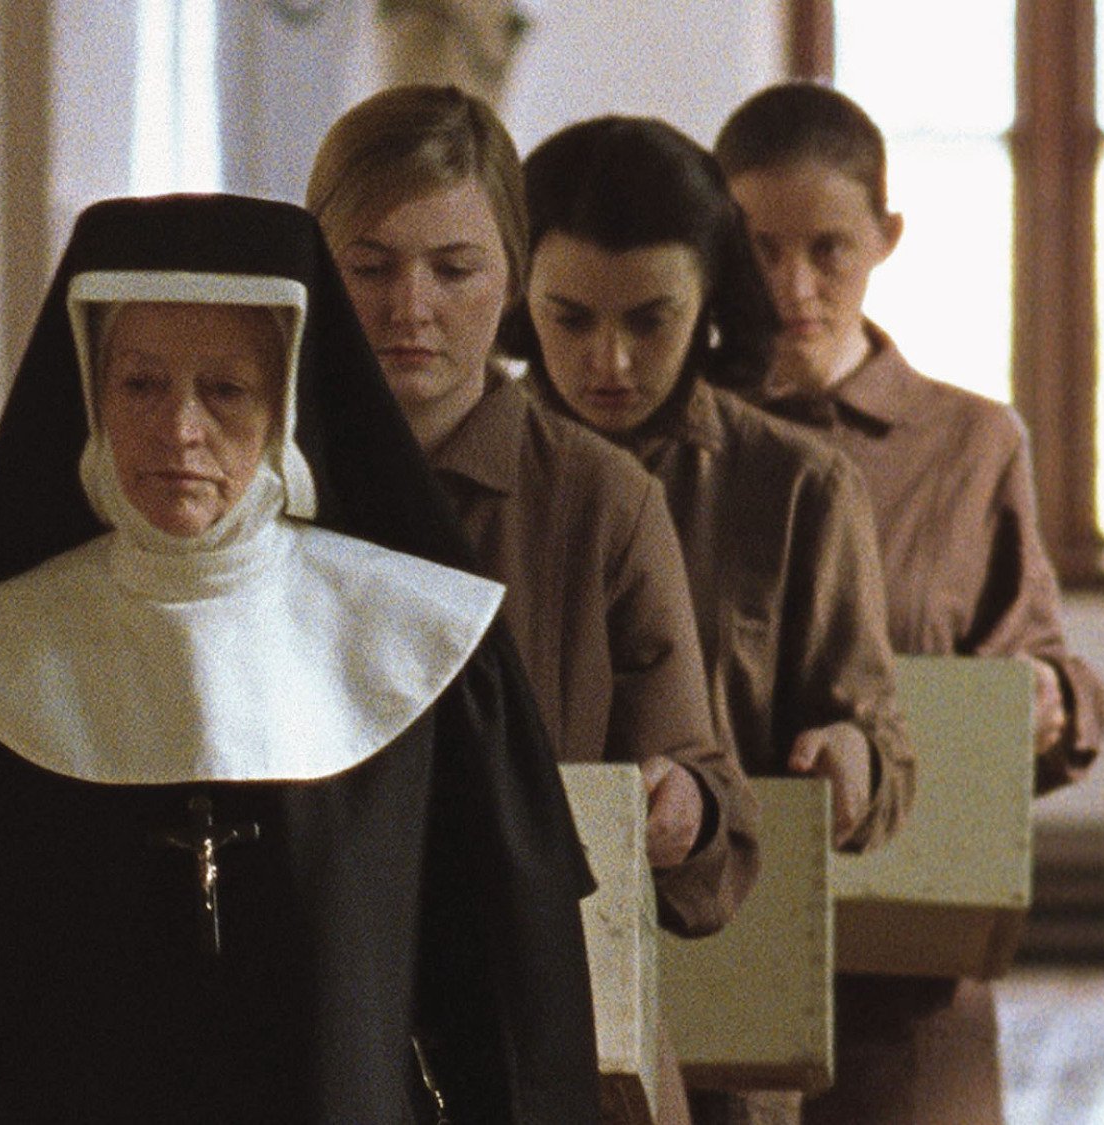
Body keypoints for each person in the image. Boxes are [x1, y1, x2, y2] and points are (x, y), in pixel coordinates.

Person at [0, 193, 601, 1123]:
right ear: (90, 392)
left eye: (226, 390)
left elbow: (518, 1013)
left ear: (288, 402)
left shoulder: (427, 656)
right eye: (140, 385)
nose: (179, 430)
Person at [308, 84, 760, 1125]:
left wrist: (679, 809)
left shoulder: (598, 500)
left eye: (452, 268)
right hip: (327, 1029)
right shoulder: (263, 482)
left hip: (551, 1045)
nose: (406, 307)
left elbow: (713, 802)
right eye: (368, 266)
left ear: (510, 275)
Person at [715, 81, 1104, 1124]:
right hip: (712, 951)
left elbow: (1039, 657)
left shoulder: (969, 442)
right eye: (756, 247)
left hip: (909, 970)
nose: (789, 285)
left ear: (885, 237)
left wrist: (1044, 697)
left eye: (826, 249)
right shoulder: (680, 443)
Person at [511, 115, 918, 1125]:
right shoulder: (469, 479)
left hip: (723, 998)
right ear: (518, 299)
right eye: (568, 319)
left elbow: (883, 745)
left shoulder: (793, 486)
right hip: (512, 995)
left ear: (710, 307)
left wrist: (851, 764)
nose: (607, 361)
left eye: (650, 321)